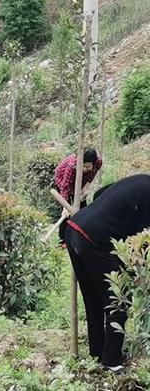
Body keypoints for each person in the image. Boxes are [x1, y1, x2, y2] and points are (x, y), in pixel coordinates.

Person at [64, 174, 150, 373]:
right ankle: (112, 360)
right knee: (119, 298)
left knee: (94, 299)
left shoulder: (140, 181)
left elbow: (101, 193)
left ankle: (97, 352)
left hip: (75, 229)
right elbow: (142, 241)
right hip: (94, 238)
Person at [54, 146, 103, 242]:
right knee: (66, 213)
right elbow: (65, 186)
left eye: (88, 166)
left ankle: (85, 234)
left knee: (83, 207)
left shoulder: (98, 162)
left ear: (93, 162)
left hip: (81, 181)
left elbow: (92, 174)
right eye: (83, 166)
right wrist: (65, 206)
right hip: (63, 180)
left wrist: (86, 187)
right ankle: (62, 241)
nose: (85, 168)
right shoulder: (72, 166)